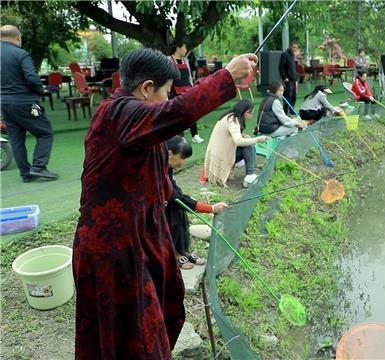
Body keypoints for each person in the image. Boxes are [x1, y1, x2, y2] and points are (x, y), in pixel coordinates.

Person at [72, 48, 256, 359]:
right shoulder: (117, 114)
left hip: (143, 238)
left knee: (164, 308)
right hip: (113, 249)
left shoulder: (136, 124)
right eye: (166, 92)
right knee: (131, 337)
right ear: (146, 88)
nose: (168, 100)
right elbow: (175, 113)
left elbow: (161, 175)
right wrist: (225, 77)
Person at [0, 25, 57, 182]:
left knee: (16, 139)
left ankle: (25, 174)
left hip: (4, 103)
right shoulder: (21, 54)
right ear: (18, 38)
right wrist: (40, 90)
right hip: (25, 102)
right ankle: (39, 167)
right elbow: (32, 78)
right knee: (45, 132)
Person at [165, 135, 227, 270]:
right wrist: (211, 208)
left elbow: (174, 189)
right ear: (169, 154)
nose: (183, 163)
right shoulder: (155, 168)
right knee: (173, 209)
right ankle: (173, 253)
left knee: (179, 209)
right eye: (182, 157)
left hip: (166, 200)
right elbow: (175, 197)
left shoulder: (166, 166)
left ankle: (182, 250)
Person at [204, 100, 269, 188]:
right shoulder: (233, 120)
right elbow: (238, 141)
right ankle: (250, 175)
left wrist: (242, 136)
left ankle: (250, 174)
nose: (251, 115)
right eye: (249, 113)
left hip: (218, 154)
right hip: (222, 157)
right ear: (243, 112)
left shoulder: (229, 116)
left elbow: (229, 137)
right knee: (249, 146)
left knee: (249, 145)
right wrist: (257, 139)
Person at [168, 42, 204, 144]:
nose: (186, 50)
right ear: (177, 47)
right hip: (174, 92)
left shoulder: (186, 60)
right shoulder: (168, 60)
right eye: (184, 47)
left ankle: (195, 135)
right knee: (178, 115)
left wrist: (193, 88)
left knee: (192, 113)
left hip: (188, 90)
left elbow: (189, 77)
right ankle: (180, 136)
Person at [279, 41, 299, 115]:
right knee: (288, 95)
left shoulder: (292, 55)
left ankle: (291, 110)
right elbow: (281, 67)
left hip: (293, 79)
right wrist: (284, 77)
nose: (295, 49)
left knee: (294, 96)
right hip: (288, 79)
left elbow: (293, 68)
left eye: (296, 47)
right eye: (294, 47)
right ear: (290, 46)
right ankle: (285, 111)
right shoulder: (284, 54)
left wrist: (296, 79)